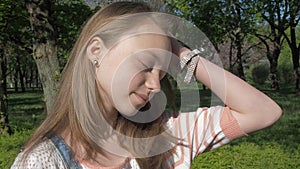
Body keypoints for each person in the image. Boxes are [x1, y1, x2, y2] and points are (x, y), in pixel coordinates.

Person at [11, 1, 282, 169]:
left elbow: (263, 112)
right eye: (144, 64)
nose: (155, 84)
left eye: (162, 71)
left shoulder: (169, 137)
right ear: (96, 51)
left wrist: (181, 54)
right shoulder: (44, 160)